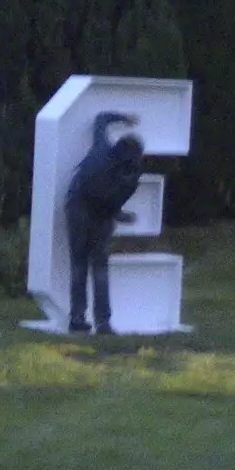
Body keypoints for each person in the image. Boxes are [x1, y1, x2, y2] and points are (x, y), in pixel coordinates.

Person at [64, 112, 146, 335]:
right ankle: (103, 322)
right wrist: (122, 216)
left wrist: (124, 117)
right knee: (99, 267)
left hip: (77, 206)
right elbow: (111, 205)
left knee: (79, 264)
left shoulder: (102, 149)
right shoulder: (129, 179)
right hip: (100, 217)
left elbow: (100, 119)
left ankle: (78, 318)